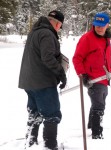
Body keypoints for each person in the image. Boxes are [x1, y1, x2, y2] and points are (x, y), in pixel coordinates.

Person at [18, 10, 67, 150]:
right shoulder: (46, 33)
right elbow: (48, 57)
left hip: (29, 81)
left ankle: (30, 142)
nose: (59, 29)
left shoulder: (35, 31)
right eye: (60, 26)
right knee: (51, 115)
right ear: (57, 23)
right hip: (43, 83)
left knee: (34, 112)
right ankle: (50, 146)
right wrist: (61, 72)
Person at [72, 12, 111, 139]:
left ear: (107, 25)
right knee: (99, 105)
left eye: (102, 25)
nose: (99, 28)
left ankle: (91, 127)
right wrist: (83, 75)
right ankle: (96, 134)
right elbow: (77, 58)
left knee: (99, 102)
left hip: (104, 79)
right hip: (93, 79)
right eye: (97, 25)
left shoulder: (107, 40)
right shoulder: (87, 38)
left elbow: (108, 60)